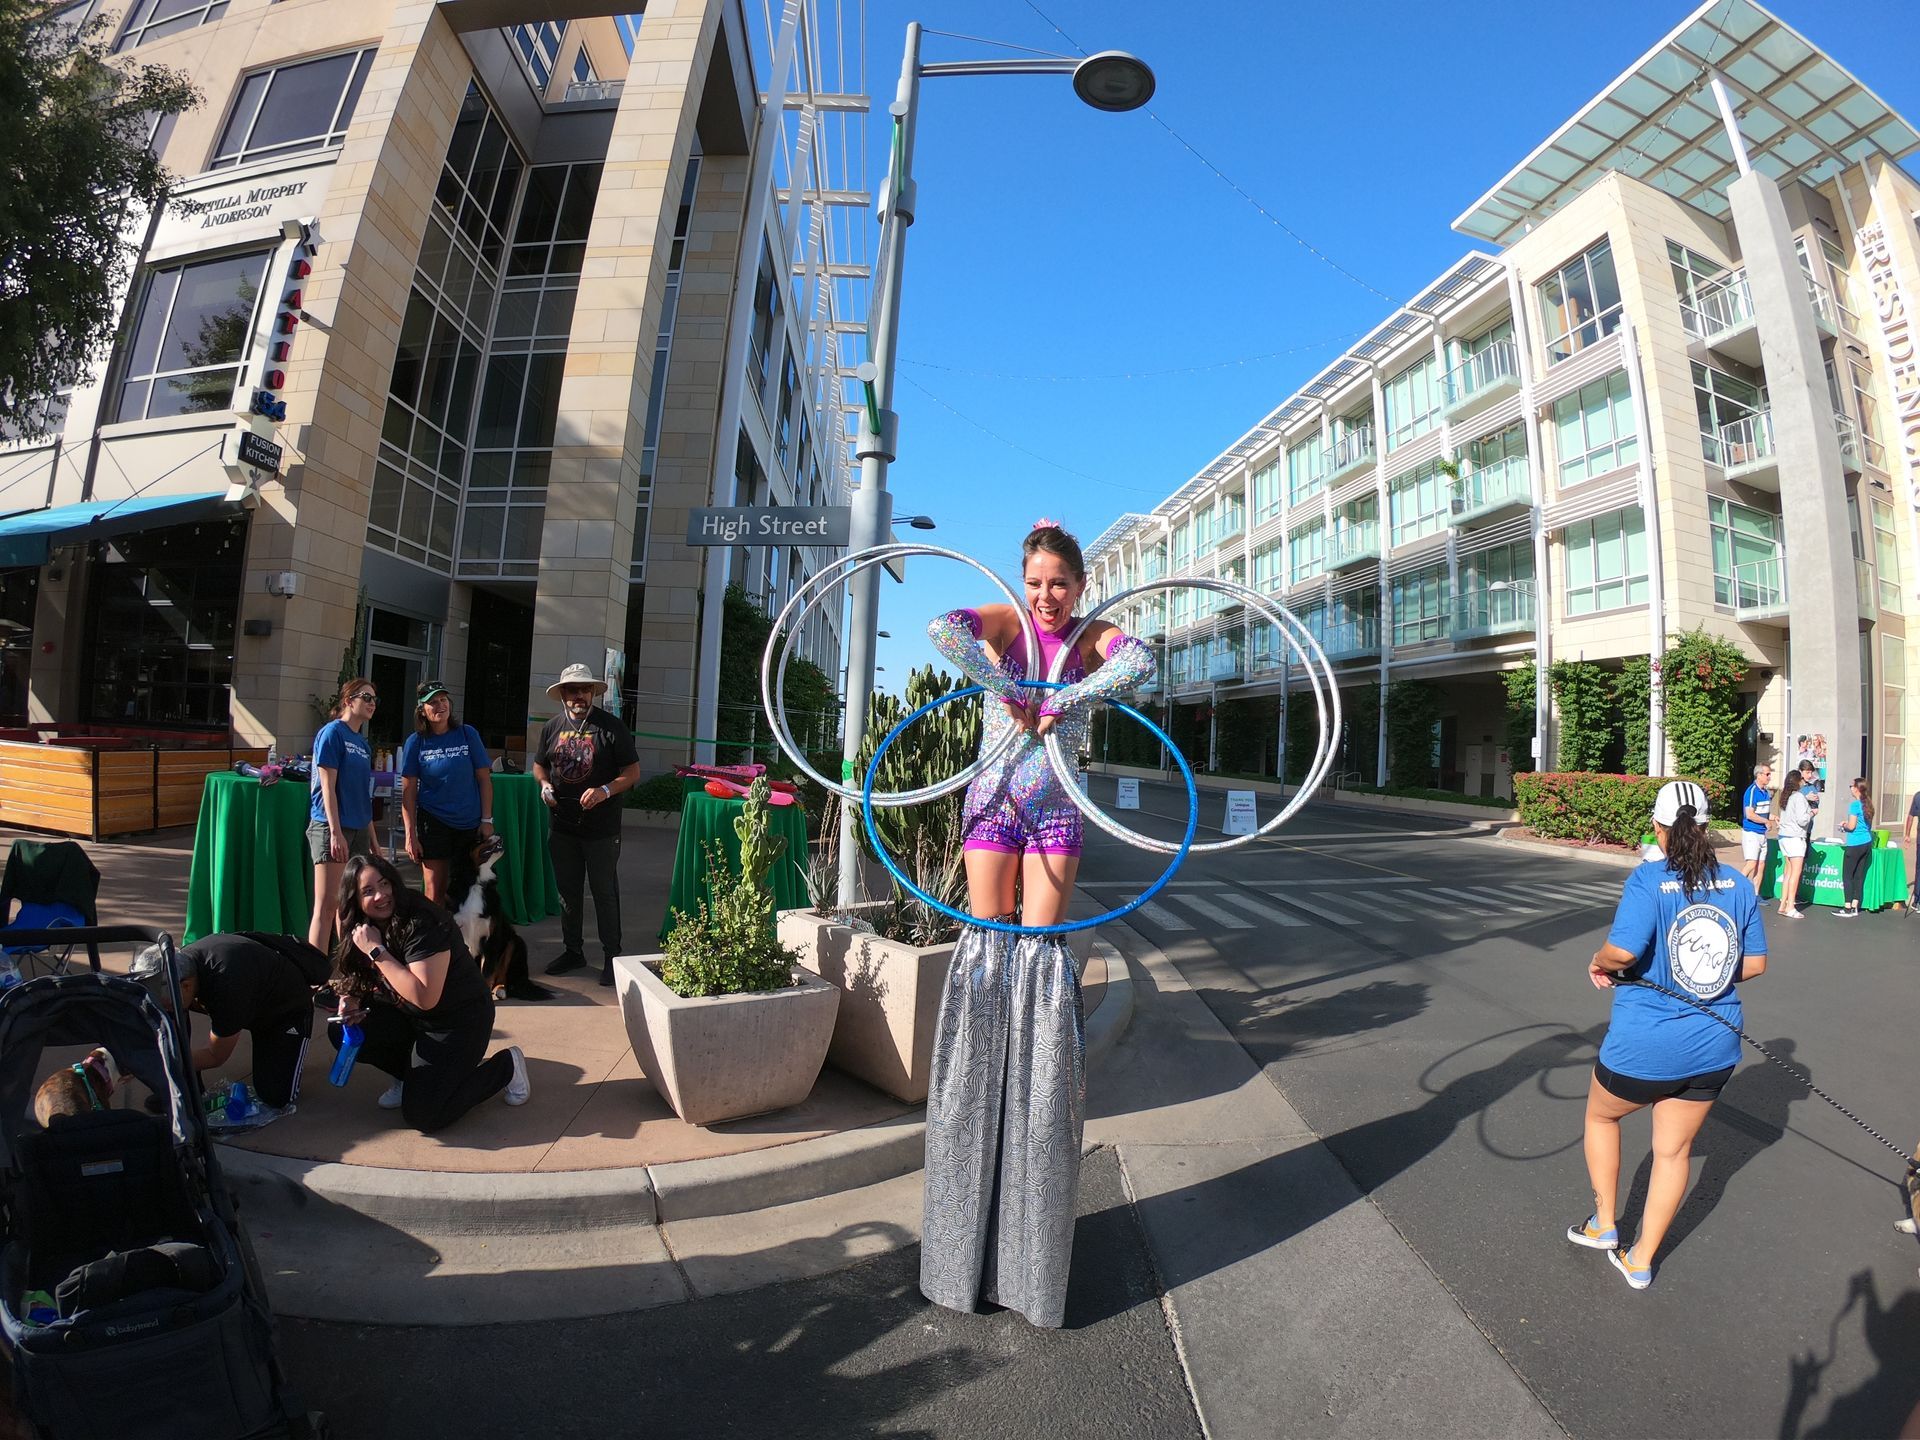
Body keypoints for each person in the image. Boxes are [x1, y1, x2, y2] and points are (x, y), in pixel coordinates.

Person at [918, 519, 1155, 1329]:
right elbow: (942, 628)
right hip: (993, 803)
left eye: (1060, 582)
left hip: (1057, 814)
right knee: (989, 953)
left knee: (1043, 962)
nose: (1047, 596)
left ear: (1082, 586)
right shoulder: (1011, 626)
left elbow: (1140, 661)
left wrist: (1067, 696)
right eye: (1037, 582)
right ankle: (976, 1120)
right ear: (1024, 583)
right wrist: (1008, 684)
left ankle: (1036, 1112)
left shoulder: (1088, 638)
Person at [1569, 779, 1767, 1290]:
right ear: (1705, 828)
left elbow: (1623, 952)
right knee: (1674, 1153)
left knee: (1600, 1115)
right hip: (1714, 1045)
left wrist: (1598, 962)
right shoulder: (1740, 884)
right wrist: (1705, 976)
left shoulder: (1646, 879)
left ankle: (1604, 1224)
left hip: (1645, 1044)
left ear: (1659, 829)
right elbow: (1756, 964)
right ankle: (1640, 1260)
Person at [326, 854, 528, 1131]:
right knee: (344, 1030)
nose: (381, 896)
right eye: (368, 891)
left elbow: (425, 997)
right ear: (355, 899)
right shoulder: (358, 924)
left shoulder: (422, 921)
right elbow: (354, 975)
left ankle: (506, 1067)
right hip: (410, 1016)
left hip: (458, 1020)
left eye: (385, 884)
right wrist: (350, 999)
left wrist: (377, 951)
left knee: (425, 1115)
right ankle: (409, 1076)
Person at [129, 932, 332, 1114]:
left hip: (284, 1013)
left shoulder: (226, 986)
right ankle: (187, 1085)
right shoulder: (183, 965)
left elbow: (215, 1055)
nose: (162, 1009)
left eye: (164, 1004)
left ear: (187, 985)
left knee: (275, 1096)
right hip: (251, 995)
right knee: (172, 1016)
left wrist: (158, 1062)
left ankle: (181, 1069)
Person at [532, 662, 640, 986]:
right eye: (572, 690)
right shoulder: (552, 727)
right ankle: (573, 950)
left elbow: (632, 773)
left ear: (592, 692)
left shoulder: (611, 727)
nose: (579, 695)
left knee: (604, 892)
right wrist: (544, 786)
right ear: (562, 694)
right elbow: (539, 766)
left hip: (601, 829)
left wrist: (605, 790)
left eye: (584, 689)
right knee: (568, 893)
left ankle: (611, 956)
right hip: (562, 825)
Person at [399, 680, 493, 906]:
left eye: (443, 700)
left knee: (468, 888)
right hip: (433, 822)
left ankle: (463, 940)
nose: (440, 706)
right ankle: (437, 939)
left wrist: (487, 819)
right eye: (433, 702)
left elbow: (484, 779)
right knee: (435, 889)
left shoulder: (467, 734)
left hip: (469, 823)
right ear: (422, 710)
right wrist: (410, 834)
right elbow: (408, 791)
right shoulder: (416, 742)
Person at [308, 678, 382, 954]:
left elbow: (363, 796)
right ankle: (314, 977)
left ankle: (349, 970)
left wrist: (374, 840)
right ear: (349, 701)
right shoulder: (332, 733)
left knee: (350, 906)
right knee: (327, 905)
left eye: (375, 699)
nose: (372, 703)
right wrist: (335, 832)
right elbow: (327, 788)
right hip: (331, 826)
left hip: (359, 828)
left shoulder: (363, 744)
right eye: (366, 697)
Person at [1835, 775, 1876, 918]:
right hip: (1866, 842)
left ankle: (1847, 907)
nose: (1850, 789)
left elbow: (1851, 826)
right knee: (1859, 875)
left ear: (1858, 789)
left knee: (1847, 875)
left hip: (1854, 844)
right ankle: (1855, 906)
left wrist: (1843, 826)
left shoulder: (1854, 806)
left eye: (1852, 786)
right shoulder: (1868, 804)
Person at [1775, 768, 1813, 920]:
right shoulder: (1799, 797)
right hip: (1795, 837)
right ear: (1798, 781)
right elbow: (1802, 819)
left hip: (1784, 837)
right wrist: (1811, 813)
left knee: (1788, 872)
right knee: (1795, 874)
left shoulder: (1785, 796)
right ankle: (1791, 906)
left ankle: (1783, 904)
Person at [1739, 762, 1773, 885]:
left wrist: (1774, 818)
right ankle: (1738, 887)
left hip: (1762, 833)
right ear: (1759, 775)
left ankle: (1756, 895)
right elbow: (1750, 814)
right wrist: (1766, 821)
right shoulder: (1752, 791)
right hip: (1751, 833)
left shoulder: (1766, 792)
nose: (1769, 777)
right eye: (1767, 774)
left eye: (1770, 774)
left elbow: (1763, 813)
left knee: (1761, 865)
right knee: (1751, 863)